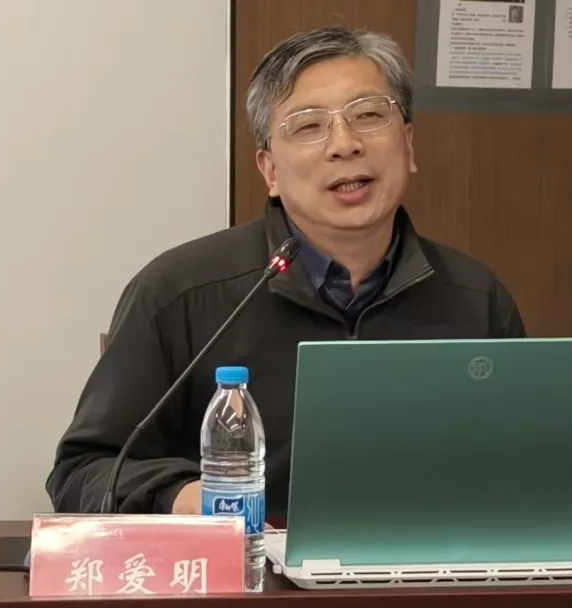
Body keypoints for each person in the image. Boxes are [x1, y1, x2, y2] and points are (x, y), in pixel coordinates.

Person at [45, 26, 527, 519]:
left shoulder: (476, 299)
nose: (345, 144)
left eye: (367, 115)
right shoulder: (180, 291)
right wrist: (190, 498)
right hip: (244, 563)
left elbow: (529, 470)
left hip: (426, 563)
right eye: (309, 126)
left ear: (407, 144)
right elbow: (83, 473)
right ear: (270, 170)